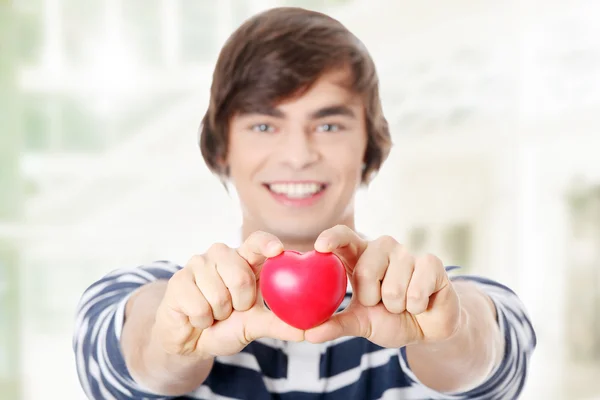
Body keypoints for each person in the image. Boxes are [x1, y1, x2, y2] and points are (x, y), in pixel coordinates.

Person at [73, 7, 536, 400]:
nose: (298, 156)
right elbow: (134, 352)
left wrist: (448, 333)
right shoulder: (153, 293)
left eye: (329, 126)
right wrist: (170, 343)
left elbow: (490, 355)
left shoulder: (432, 296)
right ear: (221, 149)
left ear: (369, 148)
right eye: (264, 126)